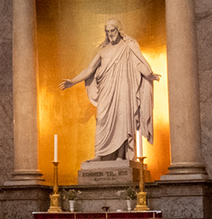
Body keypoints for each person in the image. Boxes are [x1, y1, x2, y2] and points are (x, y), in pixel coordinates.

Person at [60, 18, 160, 162]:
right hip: (106, 90)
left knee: (123, 119)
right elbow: (90, 69)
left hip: (123, 89)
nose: (110, 34)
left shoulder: (128, 46)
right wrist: (73, 81)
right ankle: (99, 155)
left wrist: (149, 74)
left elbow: (138, 63)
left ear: (119, 30)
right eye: (107, 31)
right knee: (102, 119)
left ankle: (121, 156)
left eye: (112, 30)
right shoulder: (103, 51)